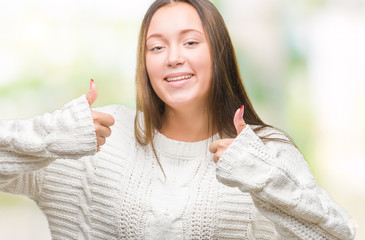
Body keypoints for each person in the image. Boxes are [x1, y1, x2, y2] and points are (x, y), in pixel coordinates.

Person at [0, 0, 356, 239]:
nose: (172, 58)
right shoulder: (98, 138)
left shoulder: (262, 151)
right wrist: (48, 135)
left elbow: (338, 234)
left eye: (190, 42)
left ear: (218, 54)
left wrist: (264, 179)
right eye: (156, 47)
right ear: (145, 64)